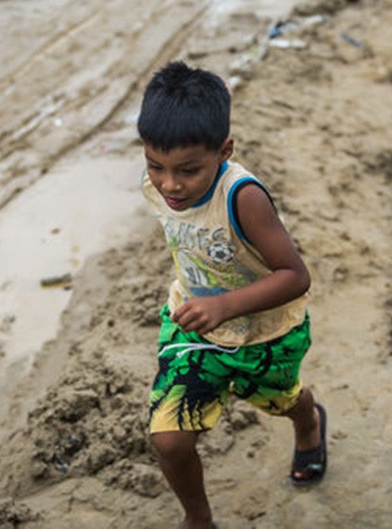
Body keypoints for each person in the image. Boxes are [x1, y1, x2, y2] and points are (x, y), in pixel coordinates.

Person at [137, 61, 327, 529]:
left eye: (187, 170)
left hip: (266, 333)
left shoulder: (243, 197)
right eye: (155, 166)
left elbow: (295, 275)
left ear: (225, 151)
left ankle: (309, 421)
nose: (170, 185)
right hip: (194, 326)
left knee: (281, 399)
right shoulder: (161, 186)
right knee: (169, 439)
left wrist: (225, 304)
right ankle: (198, 518)